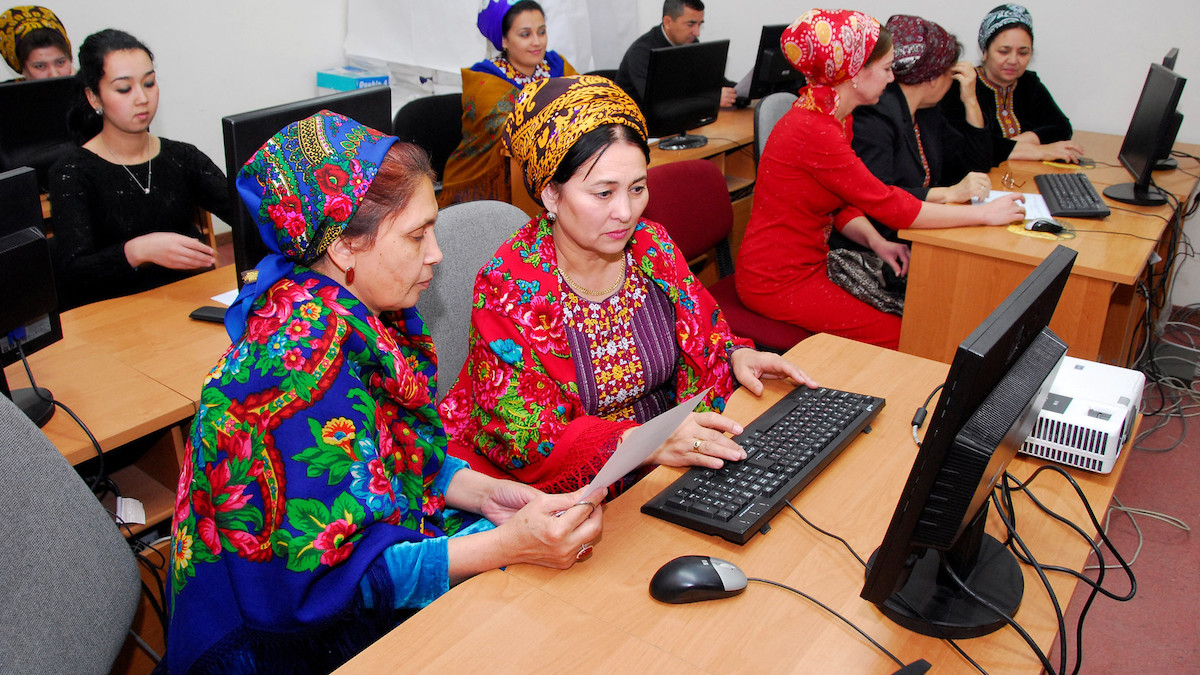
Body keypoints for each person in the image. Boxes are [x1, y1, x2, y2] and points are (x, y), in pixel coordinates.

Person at [165, 110, 604, 674]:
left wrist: (485, 494)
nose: (436, 254)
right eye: (417, 235)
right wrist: (506, 545)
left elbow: (389, 461)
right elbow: (338, 582)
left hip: (343, 588)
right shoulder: (299, 369)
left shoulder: (357, 307)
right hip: (283, 643)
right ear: (346, 247)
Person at [439, 75, 813, 496]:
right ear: (550, 195)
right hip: (569, 486)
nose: (625, 211)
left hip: (666, 458)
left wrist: (737, 354)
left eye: (637, 188)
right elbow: (525, 436)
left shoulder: (651, 245)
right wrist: (647, 441)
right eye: (603, 193)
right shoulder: (509, 282)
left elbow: (705, 334)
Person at [735, 9, 1025, 351]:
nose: (892, 80)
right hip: (777, 280)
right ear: (855, 73)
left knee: (919, 318)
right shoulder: (815, 129)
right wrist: (983, 214)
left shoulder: (833, 115)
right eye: (887, 69)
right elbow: (889, 204)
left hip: (809, 263)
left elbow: (840, 203)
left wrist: (877, 243)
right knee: (908, 336)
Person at [48, 29, 232, 309]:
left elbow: (244, 215)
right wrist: (136, 252)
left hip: (187, 303)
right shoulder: (72, 172)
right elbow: (74, 272)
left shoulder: (182, 156)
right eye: (124, 89)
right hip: (115, 317)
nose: (142, 98)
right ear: (94, 98)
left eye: (149, 83)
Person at [835, 14, 993, 251]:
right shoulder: (873, 119)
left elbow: (976, 164)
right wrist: (948, 194)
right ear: (932, 78)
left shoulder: (927, 113)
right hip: (879, 246)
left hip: (913, 233)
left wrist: (971, 101)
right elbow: (876, 200)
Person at [438, 0, 575, 206]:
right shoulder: (484, 79)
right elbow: (509, 131)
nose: (537, 42)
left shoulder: (558, 66)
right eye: (525, 34)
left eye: (542, 32)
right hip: (487, 185)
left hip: (554, 171)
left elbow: (584, 109)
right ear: (503, 40)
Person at [941, 3, 1084, 165]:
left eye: (1023, 53)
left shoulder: (1028, 83)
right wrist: (1039, 150)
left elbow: (1061, 127)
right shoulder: (961, 85)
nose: (1013, 60)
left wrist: (1016, 143)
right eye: (1003, 51)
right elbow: (967, 146)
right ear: (985, 51)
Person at [615, 0, 736, 109]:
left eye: (700, 24)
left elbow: (710, 80)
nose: (697, 32)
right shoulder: (642, 51)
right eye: (690, 24)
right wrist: (711, 99)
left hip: (676, 121)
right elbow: (659, 102)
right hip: (638, 126)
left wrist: (743, 90)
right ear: (668, 22)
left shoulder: (690, 42)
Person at [0, 5, 71, 80]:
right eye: (40, 66)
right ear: (22, 67)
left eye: (60, 63)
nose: (54, 75)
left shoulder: (83, 88)